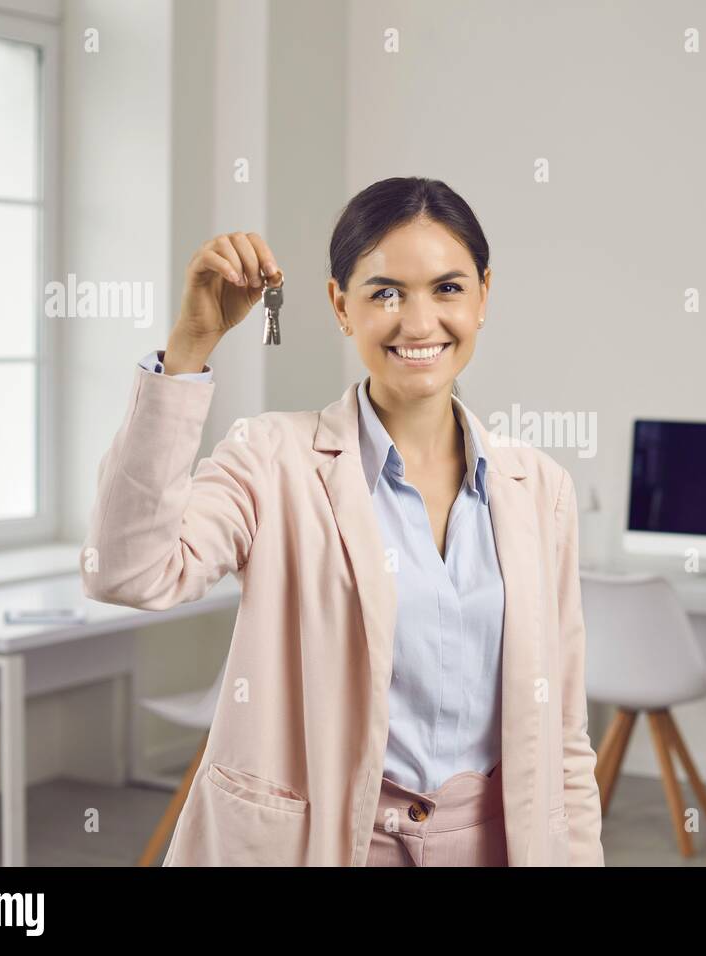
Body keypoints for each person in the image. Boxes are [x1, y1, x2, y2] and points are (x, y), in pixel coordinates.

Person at [81, 176, 604, 866]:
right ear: (340, 305)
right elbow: (128, 574)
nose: (418, 324)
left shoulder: (541, 489)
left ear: (483, 296)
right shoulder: (271, 459)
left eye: (447, 288)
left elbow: (563, 728)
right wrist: (190, 349)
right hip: (328, 840)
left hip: (495, 844)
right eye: (385, 292)